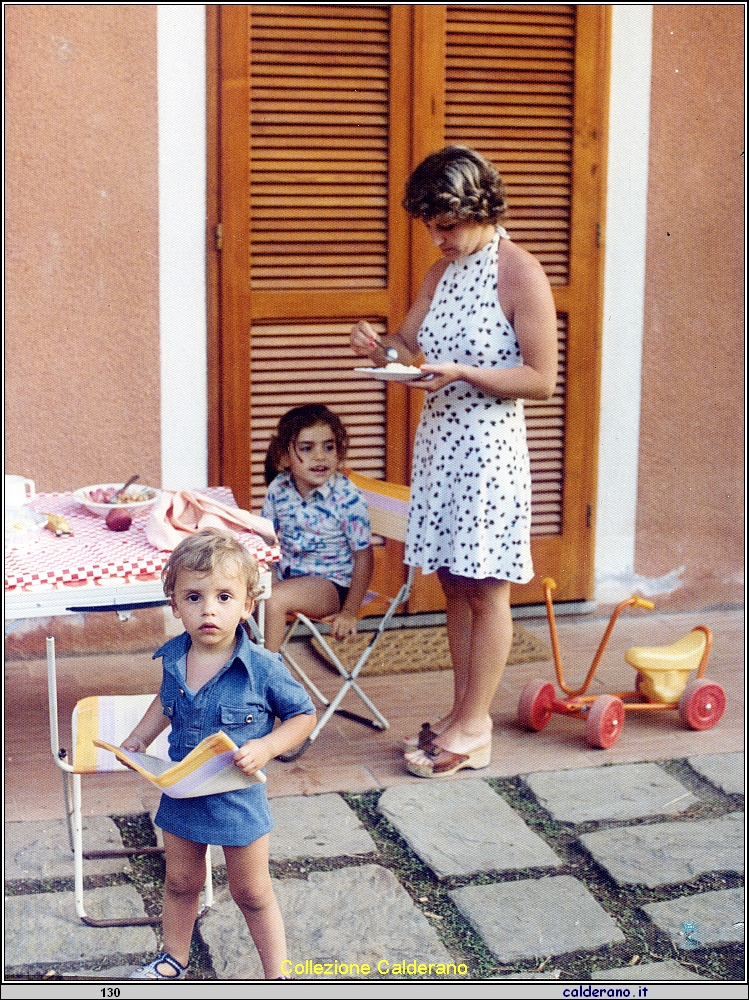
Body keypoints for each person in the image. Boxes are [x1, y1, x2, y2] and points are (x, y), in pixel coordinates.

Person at [351, 145, 558, 779]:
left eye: (447, 224)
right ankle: (461, 713)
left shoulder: (519, 271)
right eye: (430, 225)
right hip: (441, 449)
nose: (437, 237)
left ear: (480, 209)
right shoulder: (441, 273)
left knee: (488, 588)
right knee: (455, 585)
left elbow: (541, 378)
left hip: (489, 455)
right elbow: (409, 349)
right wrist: (378, 344)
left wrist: (464, 372)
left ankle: (475, 728)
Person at [122, 529, 316, 980]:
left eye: (224, 596)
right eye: (193, 597)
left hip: (237, 798)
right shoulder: (175, 658)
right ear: (174, 605)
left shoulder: (263, 667)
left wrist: (267, 746)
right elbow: (166, 702)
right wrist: (138, 738)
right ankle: (174, 957)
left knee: (251, 890)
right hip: (183, 790)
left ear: (248, 604)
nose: (209, 609)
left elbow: (302, 716)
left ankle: (278, 972)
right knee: (180, 882)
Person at [260, 403, 374, 653]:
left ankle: (264, 679)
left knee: (271, 599)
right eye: (307, 448)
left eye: (329, 447)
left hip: (330, 584)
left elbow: (364, 558)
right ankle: (234, 667)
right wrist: (269, 573)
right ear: (284, 457)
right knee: (239, 592)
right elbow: (266, 539)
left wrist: (349, 612)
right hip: (287, 575)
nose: (320, 456)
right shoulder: (279, 488)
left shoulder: (347, 498)